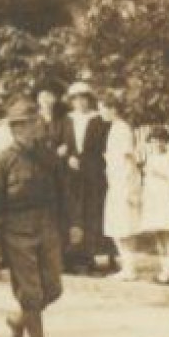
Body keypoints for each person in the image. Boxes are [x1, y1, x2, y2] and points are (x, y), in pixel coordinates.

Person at [0, 99, 74, 337]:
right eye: (26, 124)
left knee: (53, 289)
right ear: (15, 129)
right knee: (31, 293)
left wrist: (73, 224)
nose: (34, 128)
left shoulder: (49, 157)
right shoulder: (3, 161)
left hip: (47, 229)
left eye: (35, 123)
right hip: (16, 232)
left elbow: (64, 193)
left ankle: (18, 320)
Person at [56, 81, 112, 274]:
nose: (80, 103)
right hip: (71, 172)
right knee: (73, 212)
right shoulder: (66, 120)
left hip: (93, 171)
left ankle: (94, 256)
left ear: (89, 100)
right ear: (71, 102)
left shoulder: (99, 120)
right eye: (76, 99)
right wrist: (68, 155)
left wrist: (86, 160)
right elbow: (60, 144)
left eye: (83, 99)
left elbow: (103, 146)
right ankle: (74, 257)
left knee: (93, 210)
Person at [99, 96, 144, 282]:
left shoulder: (122, 129)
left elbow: (129, 158)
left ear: (113, 109)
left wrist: (128, 187)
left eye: (102, 108)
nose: (100, 112)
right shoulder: (115, 128)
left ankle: (130, 269)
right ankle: (127, 268)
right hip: (116, 182)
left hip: (123, 183)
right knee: (118, 227)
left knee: (126, 227)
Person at [137, 126, 169, 285]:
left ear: (166, 142)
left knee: (167, 234)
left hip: (167, 199)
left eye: (161, 141)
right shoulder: (150, 158)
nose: (157, 144)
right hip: (154, 200)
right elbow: (146, 180)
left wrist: (160, 174)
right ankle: (163, 270)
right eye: (153, 141)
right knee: (158, 234)